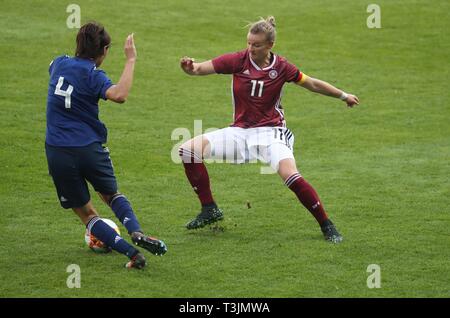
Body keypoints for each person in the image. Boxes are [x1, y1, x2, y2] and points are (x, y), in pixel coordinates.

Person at [179, 16, 359, 243]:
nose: (250, 49)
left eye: (256, 45)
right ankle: (210, 209)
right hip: (240, 132)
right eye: (248, 43)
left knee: (290, 175)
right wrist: (189, 67)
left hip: (271, 133)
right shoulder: (238, 60)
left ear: (270, 46)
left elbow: (311, 83)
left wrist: (344, 96)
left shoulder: (282, 67)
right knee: (187, 150)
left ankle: (326, 224)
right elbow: (199, 69)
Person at [45, 22, 167, 269]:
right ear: (105, 50)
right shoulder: (94, 75)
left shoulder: (58, 63)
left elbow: (54, 70)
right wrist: (131, 60)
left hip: (58, 150)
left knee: (87, 213)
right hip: (89, 148)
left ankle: (132, 254)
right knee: (111, 195)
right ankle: (136, 231)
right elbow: (119, 95)